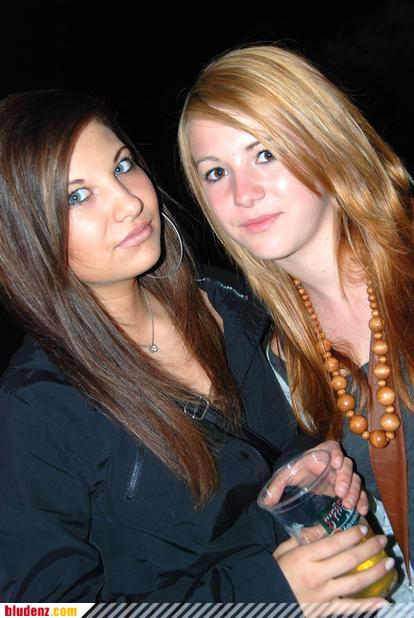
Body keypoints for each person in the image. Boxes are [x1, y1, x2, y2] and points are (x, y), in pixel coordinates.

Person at [0, 90, 392, 609]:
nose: (130, 202)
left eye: (122, 166)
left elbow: (276, 434)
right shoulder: (37, 408)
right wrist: (266, 593)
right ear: (26, 235)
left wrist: (311, 464)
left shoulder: (224, 297)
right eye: (77, 197)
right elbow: (36, 607)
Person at [178, 44, 414, 602]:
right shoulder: (283, 360)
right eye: (216, 173)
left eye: (265, 154)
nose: (243, 193)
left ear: (322, 139)